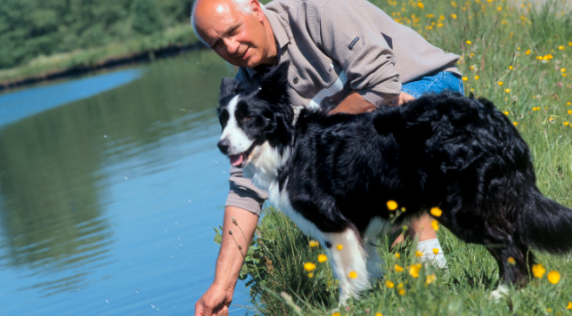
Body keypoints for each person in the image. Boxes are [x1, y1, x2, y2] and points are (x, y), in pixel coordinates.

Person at [191, 0, 463, 314]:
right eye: (217, 44)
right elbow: (245, 187)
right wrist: (223, 286)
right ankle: (381, 286)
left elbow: (383, 86)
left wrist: (322, 125)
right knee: (330, 167)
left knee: (375, 130)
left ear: (254, 8)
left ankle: (434, 266)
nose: (231, 47)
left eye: (232, 31)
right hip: (363, 128)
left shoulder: (318, 8)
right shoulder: (250, 93)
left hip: (426, 88)